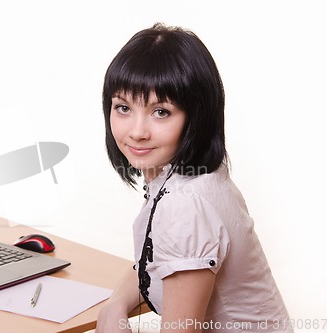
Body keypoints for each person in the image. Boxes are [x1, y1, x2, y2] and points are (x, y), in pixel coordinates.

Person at [96, 23, 292, 333]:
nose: (136, 131)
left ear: (195, 116)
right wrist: (115, 305)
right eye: (123, 107)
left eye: (161, 112)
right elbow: (150, 262)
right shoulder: (193, 178)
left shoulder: (186, 207)